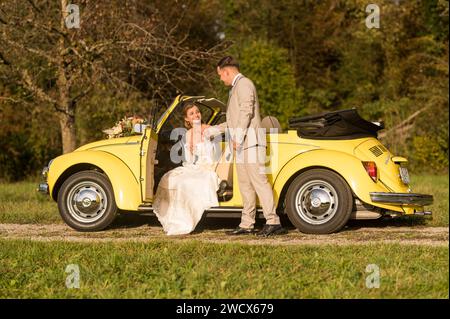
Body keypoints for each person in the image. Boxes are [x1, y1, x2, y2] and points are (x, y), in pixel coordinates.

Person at [206, 56, 287, 237]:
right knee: (245, 185)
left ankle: (273, 222)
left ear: (226, 71)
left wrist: (237, 137)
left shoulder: (244, 84)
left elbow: (246, 112)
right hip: (242, 144)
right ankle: (247, 223)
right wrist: (212, 130)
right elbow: (233, 121)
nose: (220, 79)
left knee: (260, 182)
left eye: (220, 75)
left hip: (250, 142)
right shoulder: (236, 88)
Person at [152, 103, 220, 235]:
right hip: (193, 166)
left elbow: (213, 154)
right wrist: (190, 151)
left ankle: (185, 221)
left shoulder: (207, 129)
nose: (196, 114)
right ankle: (173, 219)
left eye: (197, 111)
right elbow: (188, 160)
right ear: (187, 119)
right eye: (192, 113)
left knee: (186, 183)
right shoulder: (188, 134)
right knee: (169, 178)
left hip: (207, 167)